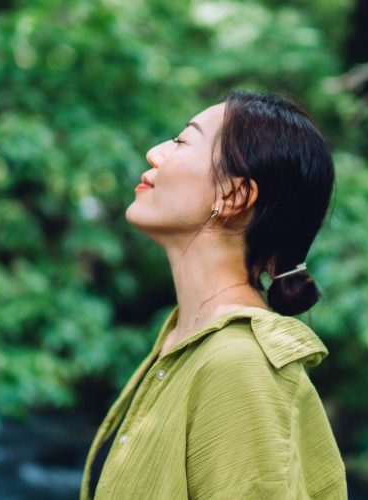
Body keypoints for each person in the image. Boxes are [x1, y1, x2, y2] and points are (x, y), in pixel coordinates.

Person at [80, 91, 347, 499]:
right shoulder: (182, 341)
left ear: (235, 196)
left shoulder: (238, 364)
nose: (155, 153)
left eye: (183, 142)